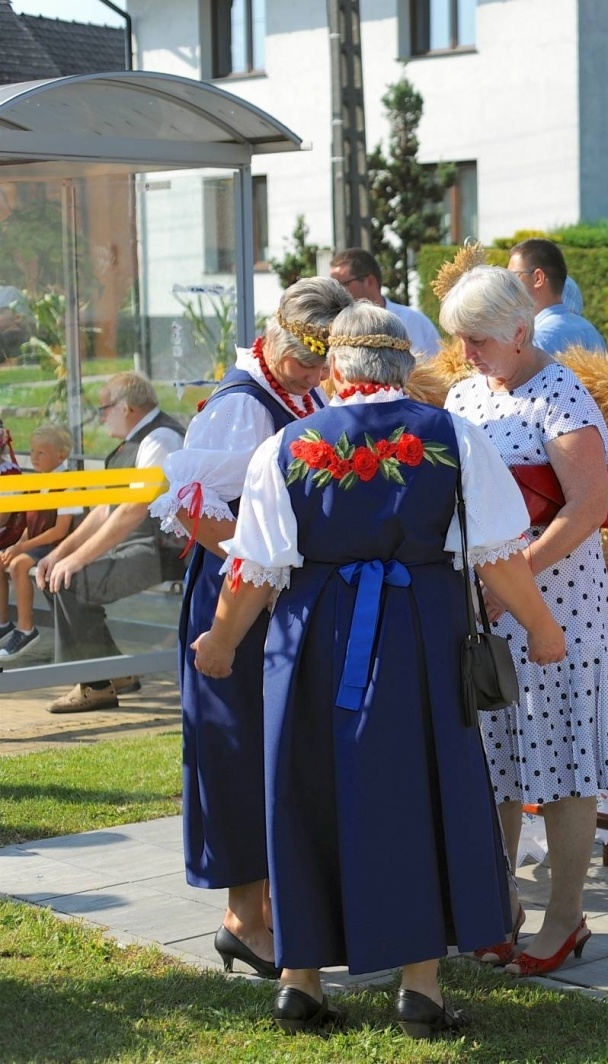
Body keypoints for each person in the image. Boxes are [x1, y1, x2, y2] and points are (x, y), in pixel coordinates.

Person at [191, 302, 567, 1037]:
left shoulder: (290, 444)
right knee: (419, 790)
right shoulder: (451, 436)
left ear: (336, 368)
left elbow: (254, 567)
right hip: (420, 637)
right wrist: (543, 629)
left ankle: (300, 982)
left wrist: (222, 640)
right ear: (406, 366)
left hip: (308, 644)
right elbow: (497, 554)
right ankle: (418, 990)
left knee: (306, 791)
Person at [148, 277, 350, 981]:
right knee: (238, 756)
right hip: (233, 598)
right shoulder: (240, 409)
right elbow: (193, 511)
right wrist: (267, 556)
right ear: (275, 338)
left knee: (277, 753)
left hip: (272, 593)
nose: (315, 374)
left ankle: (269, 909)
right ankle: (244, 919)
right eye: (305, 360)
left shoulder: (297, 393)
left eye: (323, 362)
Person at [440, 265, 608, 977]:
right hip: (490, 599)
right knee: (495, 756)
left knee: (567, 757)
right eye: (459, 339)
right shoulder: (464, 394)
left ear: (519, 331)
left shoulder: (563, 394)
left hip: (556, 602)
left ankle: (565, 915)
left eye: (477, 339)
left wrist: (514, 584)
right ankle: (499, 905)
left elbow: (586, 508)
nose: (465, 353)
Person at [36, 371, 184, 713]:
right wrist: (60, 553)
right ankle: (117, 672)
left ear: (127, 407)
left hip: (162, 549)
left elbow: (133, 510)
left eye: (104, 408)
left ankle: (96, 685)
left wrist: (74, 561)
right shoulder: (135, 440)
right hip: (140, 545)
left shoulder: (159, 438)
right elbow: (107, 509)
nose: (101, 416)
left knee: (70, 580)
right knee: (54, 575)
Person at [0, 423, 77, 662]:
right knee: (4, 559)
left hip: (59, 546)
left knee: (18, 564)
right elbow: (28, 526)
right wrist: (16, 545)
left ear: (61, 455)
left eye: (40, 453)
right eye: (32, 452)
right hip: (37, 545)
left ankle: (26, 629)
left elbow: (59, 530)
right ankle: (3, 623)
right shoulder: (39, 483)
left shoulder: (68, 483)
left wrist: (22, 548)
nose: (33, 457)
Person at [329, 248, 442, 359]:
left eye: (343, 284)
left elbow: (440, 370)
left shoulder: (415, 323)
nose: (337, 291)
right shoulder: (333, 329)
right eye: (333, 285)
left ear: (370, 281)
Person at [507, 238, 606, 356]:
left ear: (538, 278)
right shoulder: (590, 331)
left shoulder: (537, 340)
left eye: (513, 276)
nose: (508, 284)